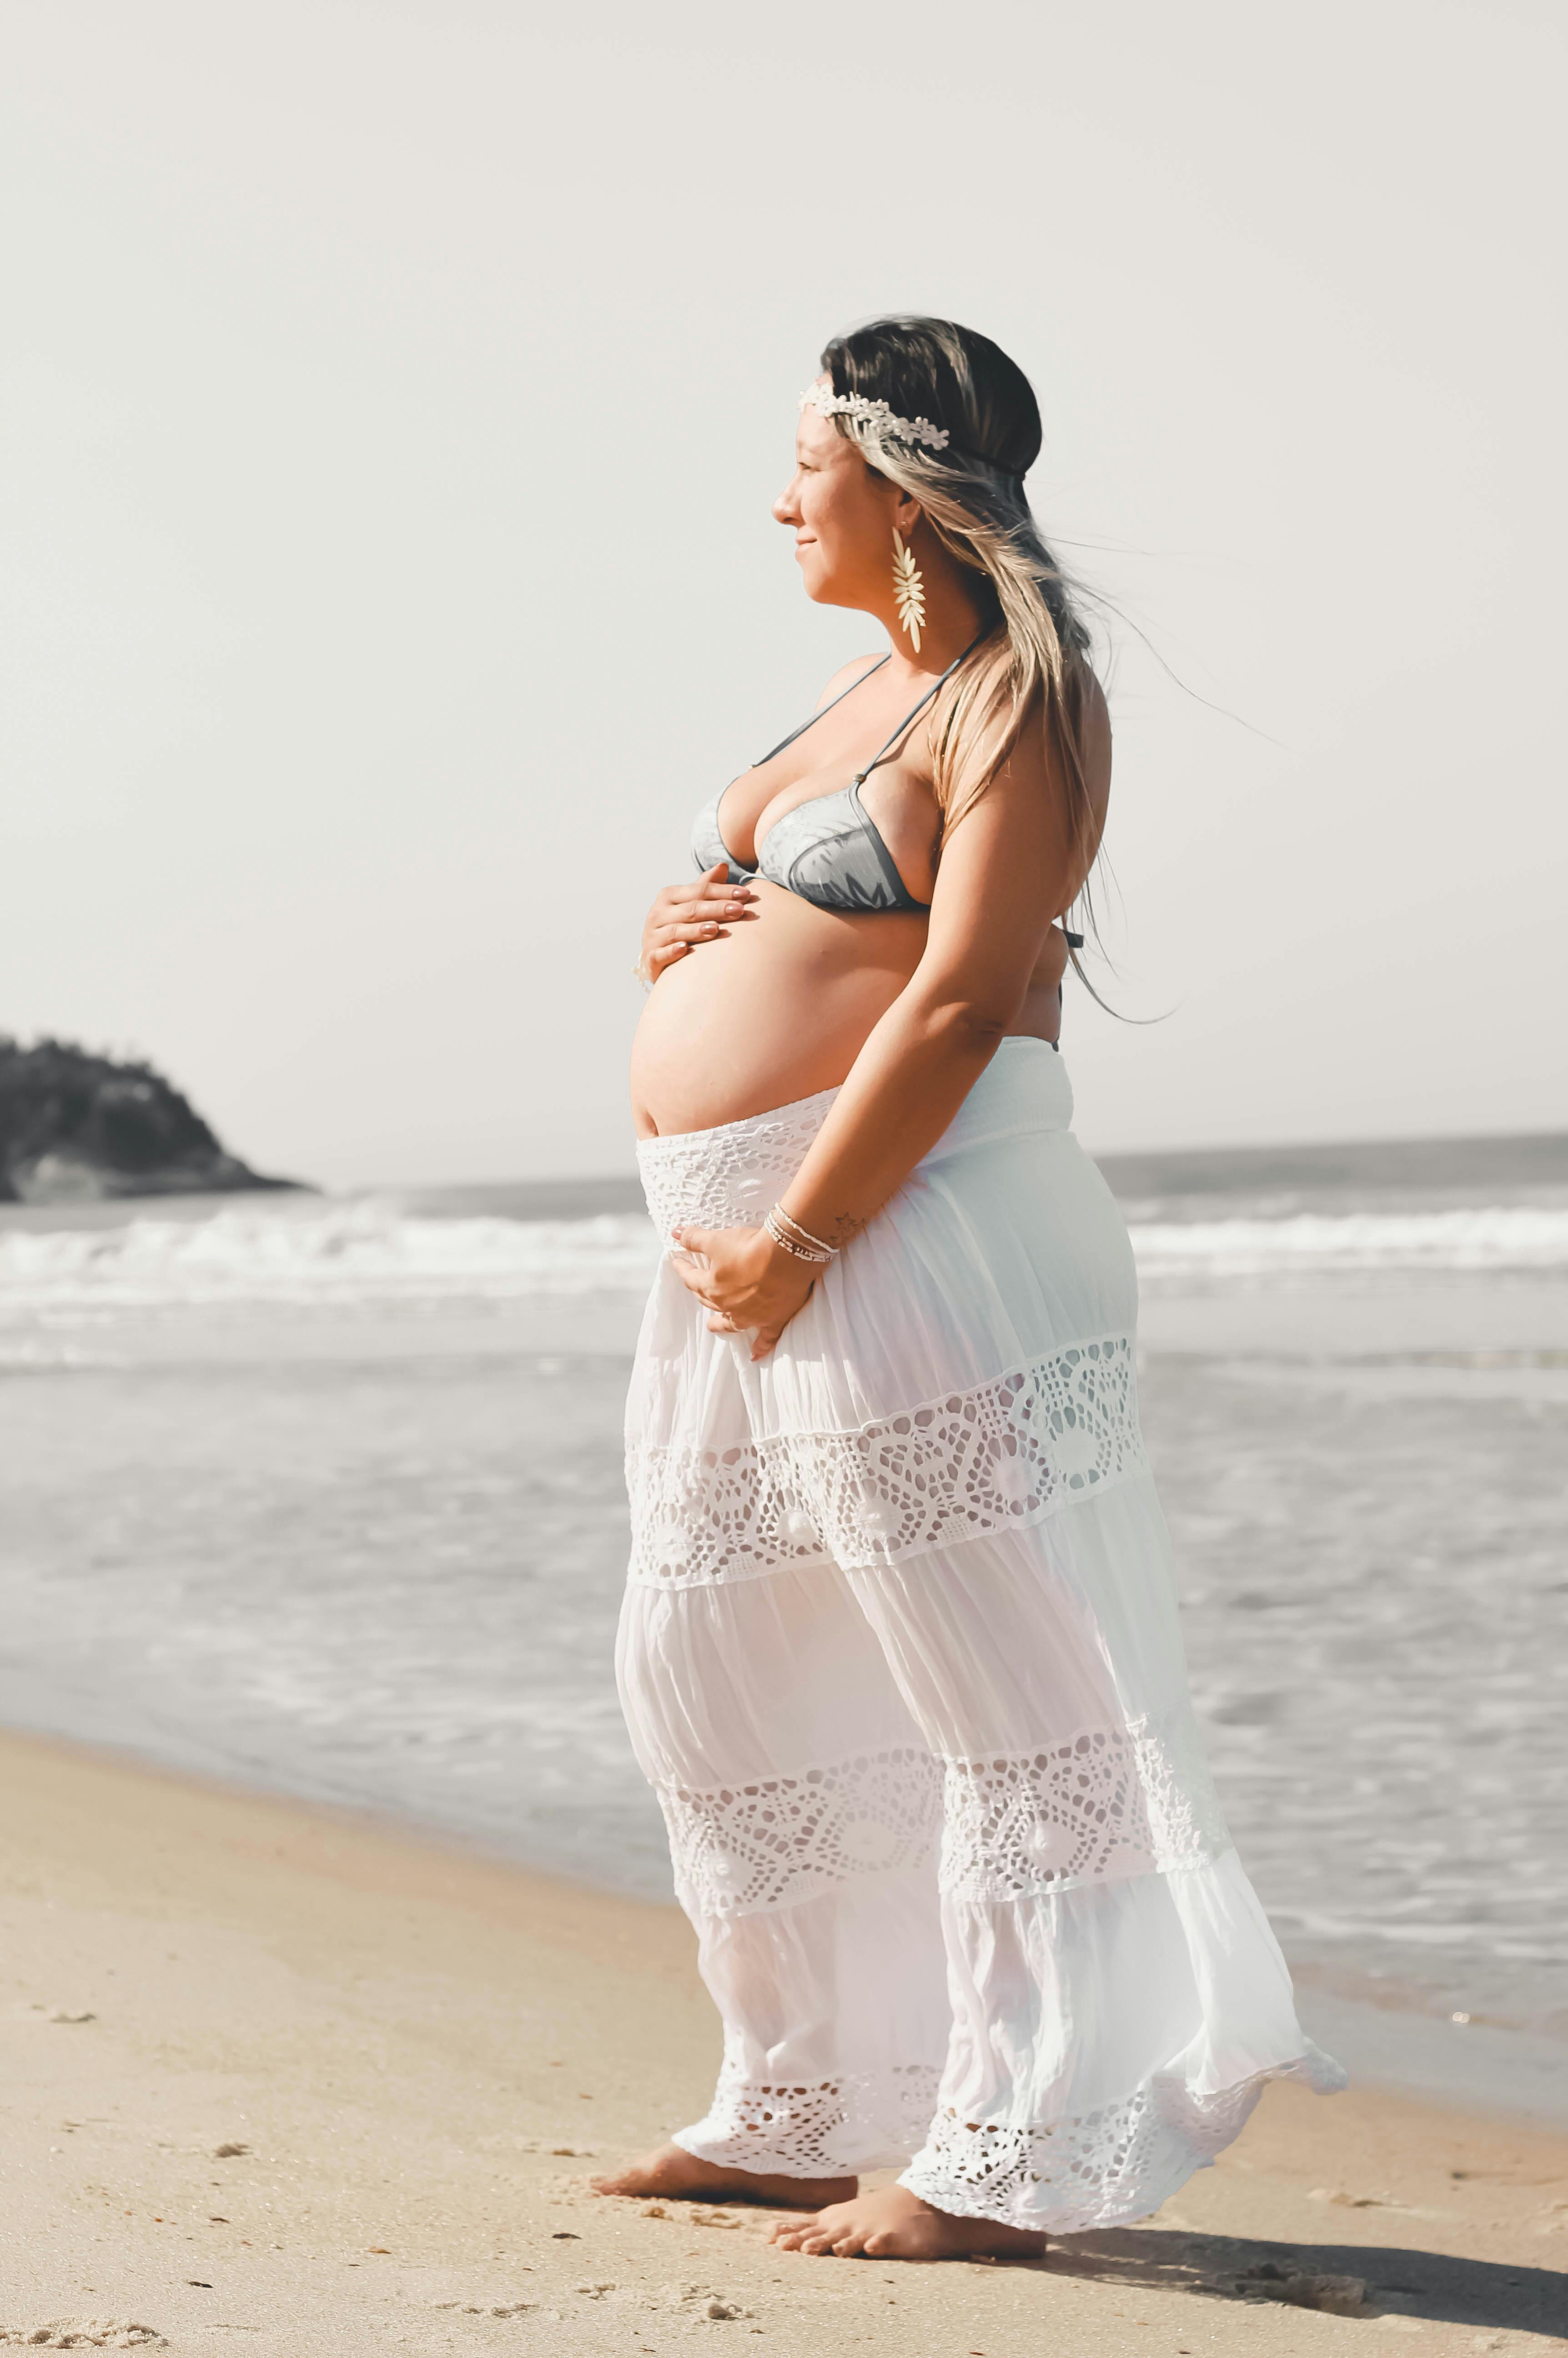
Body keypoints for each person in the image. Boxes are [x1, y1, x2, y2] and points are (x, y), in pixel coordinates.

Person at [590, 317, 1340, 2262]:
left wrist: (803, 1235)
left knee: (1011, 1697)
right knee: (710, 1677)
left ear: (895, 477)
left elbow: (945, 998)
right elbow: (812, 939)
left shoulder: (1024, 697)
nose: (778, 501)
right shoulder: (846, 692)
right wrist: (676, 932)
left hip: (901, 1227)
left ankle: (1011, 2152)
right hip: (739, 1244)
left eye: (803, 466)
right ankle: (801, 2099)